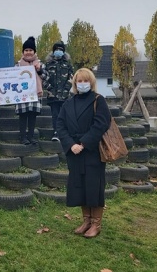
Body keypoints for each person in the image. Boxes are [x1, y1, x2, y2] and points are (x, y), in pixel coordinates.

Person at [56, 68, 111, 238]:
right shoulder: (68, 103)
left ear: (91, 82)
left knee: (94, 186)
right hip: (74, 152)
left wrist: (84, 143)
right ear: (74, 83)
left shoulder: (98, 100)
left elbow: (101, 123)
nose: (82, 84)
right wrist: (71, 144)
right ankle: (86, 220)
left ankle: (96, 223)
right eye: (79, 81)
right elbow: (60, 125)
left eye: (85, 81)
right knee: (79, 186)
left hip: (92, 151)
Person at [15, 36, 48, 145]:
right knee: (23, 116)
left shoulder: (40, 64)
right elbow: (12, 78)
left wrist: (39, 70)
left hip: (35, 94)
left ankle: (31, 136)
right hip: (22, 94)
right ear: (23, 51)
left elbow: (46, 77)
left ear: (34, 51)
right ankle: (22, 136)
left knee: (32, 116)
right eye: (26, 50)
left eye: (30, 50)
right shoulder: (18, 64)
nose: (28, 52)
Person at [43, 41, 74, 141]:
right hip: (52, 96)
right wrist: (50, 90)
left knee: (65, 115)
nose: (58, 51)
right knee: (55, 115)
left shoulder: (68, 65)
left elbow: (71, 79)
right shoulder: (47, 65)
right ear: (53, 51)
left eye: (60, 50)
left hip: (65, 96)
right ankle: (56, 132)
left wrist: (65, 92)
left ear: (64, 52)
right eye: (56, 49)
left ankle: (64, 132)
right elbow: (44, 79)